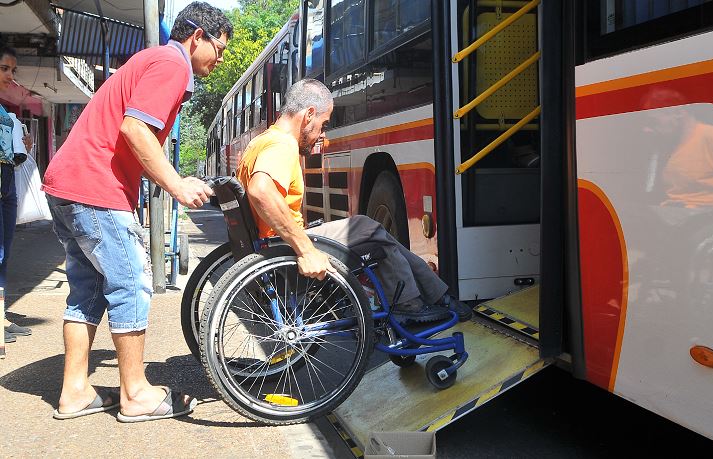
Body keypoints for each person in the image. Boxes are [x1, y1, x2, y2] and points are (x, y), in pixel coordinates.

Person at [41, 2, 231, 421]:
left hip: (70, 184)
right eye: (218, 48)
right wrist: (177, 184)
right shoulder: (171, 62)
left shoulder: (153, 60)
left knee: (86, 292)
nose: (219, 59)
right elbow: (135, 128)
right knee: (132, 282)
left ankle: (74, 392)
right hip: (95, 188)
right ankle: (137, 393)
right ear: (196, 35)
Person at [235, 79, 471, 324]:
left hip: (271, 245)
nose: (323, 134)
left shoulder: (260, 142)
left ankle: (436, 295)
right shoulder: (282, 145)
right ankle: (411, 305)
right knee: (369, 229)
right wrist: (305, 250)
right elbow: (261, 190)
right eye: (323, 124)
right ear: (309, 115)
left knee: (372, 230)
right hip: (284, 250)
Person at [0, 45, 34, 344]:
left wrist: (22, 146)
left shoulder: (2, 109)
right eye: (4, 69)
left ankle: (0, 316)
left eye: (12, 70)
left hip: (6, 178)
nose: (10, 76)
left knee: (4, 252)